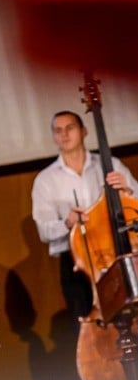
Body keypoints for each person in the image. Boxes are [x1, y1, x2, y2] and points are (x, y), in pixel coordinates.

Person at [31, 109, 138, 333]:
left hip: (118, 252)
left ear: (84, 131)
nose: (64, 134)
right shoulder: (45, 179)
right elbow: (43, 230)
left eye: (70, 128)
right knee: (90, 324)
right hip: (78, 261)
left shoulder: (112, 165)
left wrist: (128, 191)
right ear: (53, 137)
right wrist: (67, 223)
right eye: (58, 131)